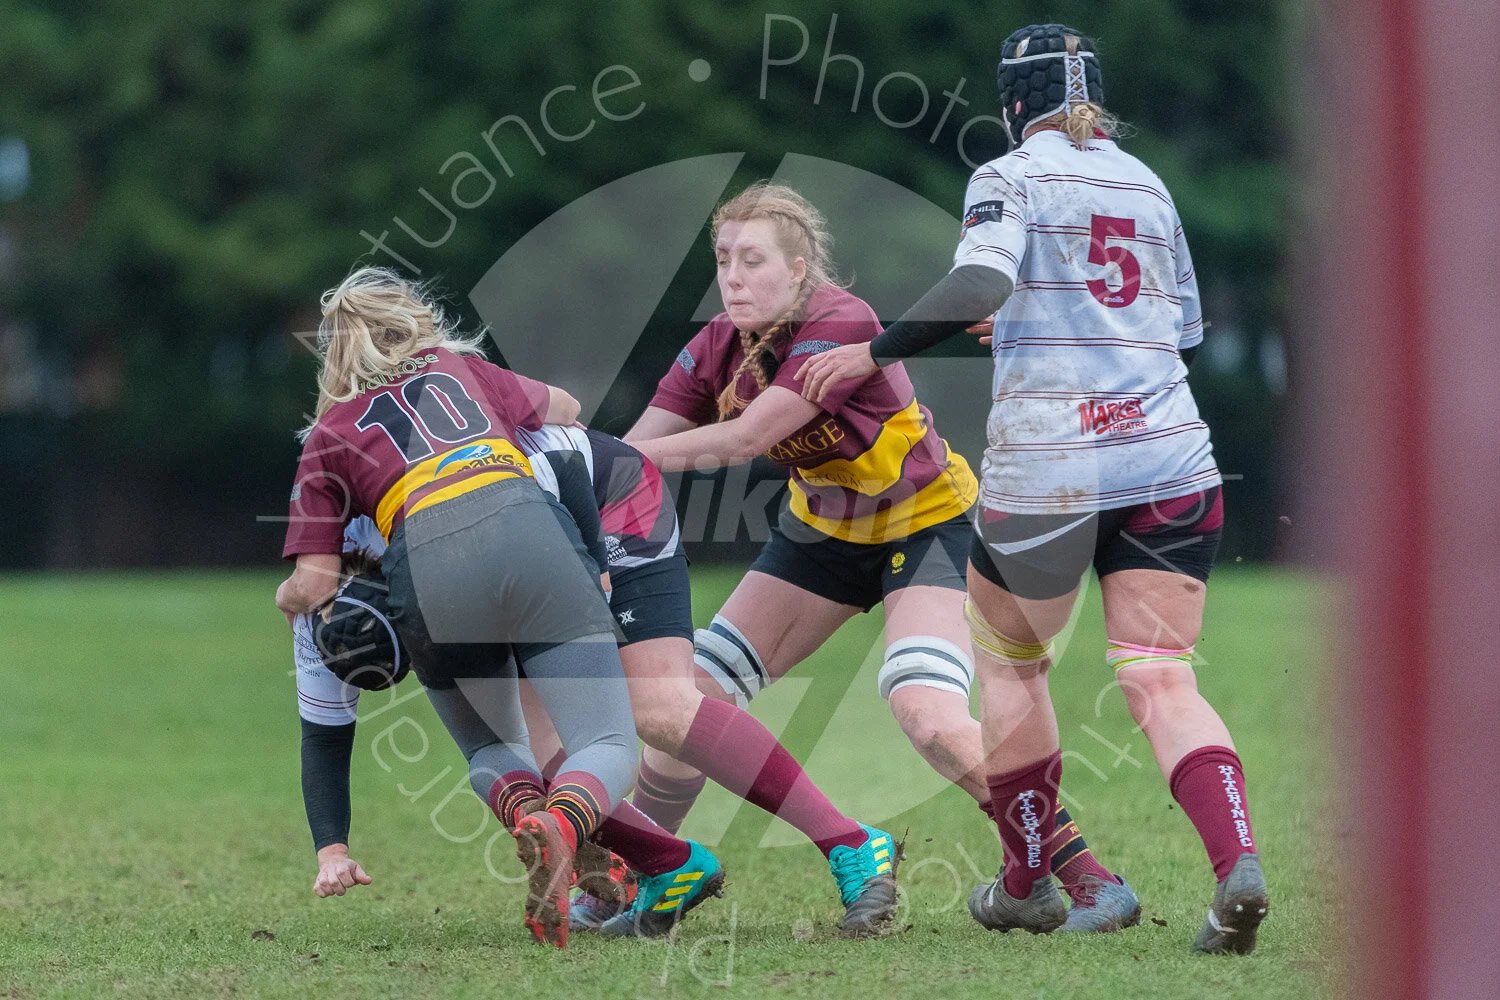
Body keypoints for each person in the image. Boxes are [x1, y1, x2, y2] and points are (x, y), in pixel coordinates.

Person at [797, 24, 1268, 954]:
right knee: (1161, 677)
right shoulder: (1147, 181)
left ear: (1014, 100)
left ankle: (1024, 880)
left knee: (1014, 665)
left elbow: (980, 277)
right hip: (1171, 460)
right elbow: (1176, 331)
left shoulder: (1009, 174)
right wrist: (1033, 318)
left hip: (1051, 466)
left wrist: (873, 346)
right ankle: (1234, 868)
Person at [625, 182, 1138, 932]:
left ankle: (1085, 877)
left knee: (926, 711)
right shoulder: (715, 347)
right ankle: (645, 871)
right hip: (821, 539)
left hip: (929, 528)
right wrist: (577, 464)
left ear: (799, 269)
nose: (733, 278)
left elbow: (744, 439)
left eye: (753, 261)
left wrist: (602, 462)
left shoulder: (840, 320)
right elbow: (639, 443)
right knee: (684, 702)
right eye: (724, 260)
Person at [295, 424, 904, 939]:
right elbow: (323, 730)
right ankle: (670, 865)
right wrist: (333, 850)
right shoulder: (313, 593)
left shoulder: (403, 492)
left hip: (598, 497)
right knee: (535, 754)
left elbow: (560, 457)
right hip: (506, 556)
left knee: (656, 704)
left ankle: (849, 841)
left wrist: (593, 571)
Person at [275, 265, 677, 948]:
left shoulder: (326, 437)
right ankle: (565, 823)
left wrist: (286, 597)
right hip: (525, 530)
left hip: (424, 571)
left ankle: (530, 813)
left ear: (335, 354)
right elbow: (569, 410)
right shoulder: (462, 369)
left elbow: (312, 586)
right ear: (415, 322)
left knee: (491, 747)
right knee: (605, 741)